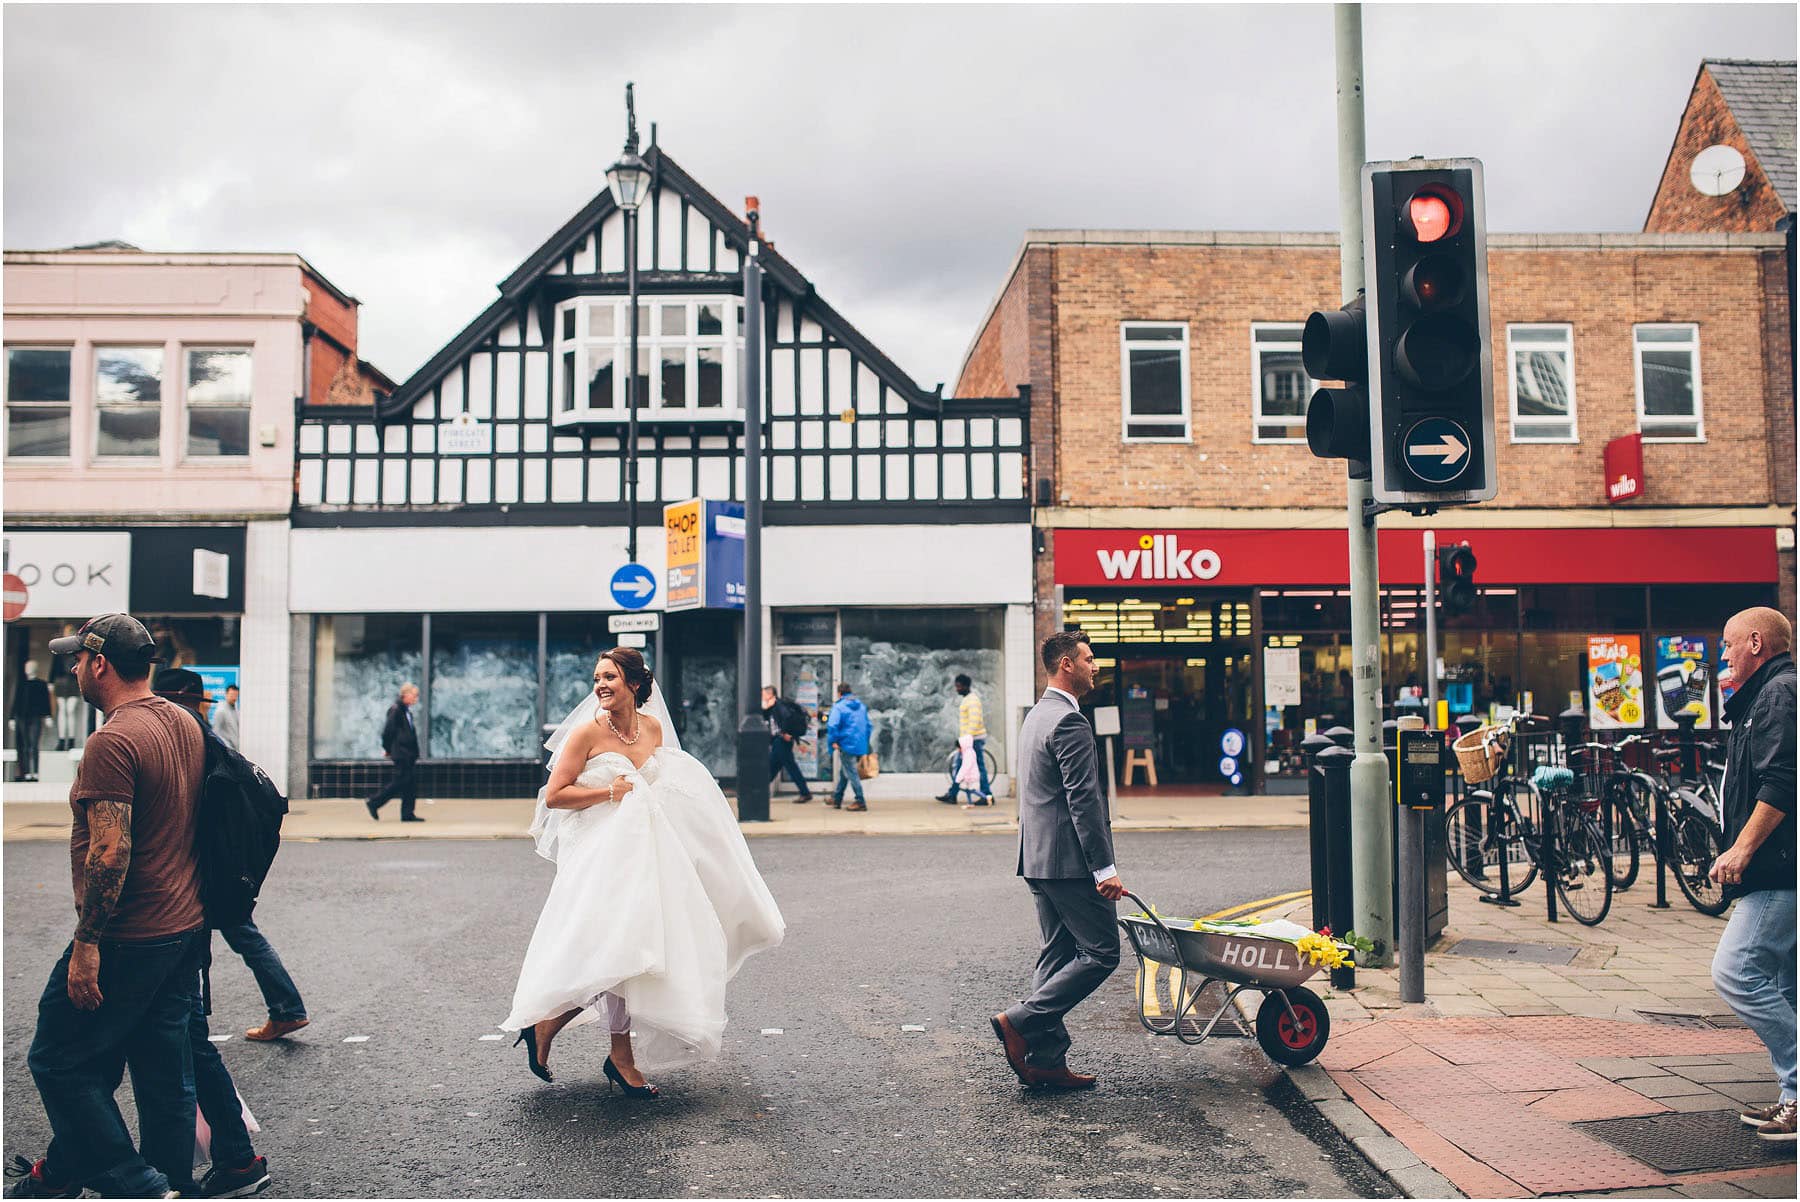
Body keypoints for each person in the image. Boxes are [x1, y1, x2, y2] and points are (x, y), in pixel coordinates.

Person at [501, 648, 784, 1097]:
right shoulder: (585, 733)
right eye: (597, 678)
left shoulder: (652, 729)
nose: (600, 685)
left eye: (610, 676)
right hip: (601, 854)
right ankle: (613, 1053)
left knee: (632, 950)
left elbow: (667, 785)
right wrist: (608, 793)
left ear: (634, 683)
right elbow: (555, 796)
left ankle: (553, 1028)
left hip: (647, 855)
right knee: (613, 949)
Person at [10, 614, 207, 1199]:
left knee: (58, 1060)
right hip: (183, 927)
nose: (71, 669)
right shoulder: (183, 723)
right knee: (163, 1072)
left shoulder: (113, 740)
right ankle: (167, 1185)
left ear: (99, 664)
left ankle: (137, 1185)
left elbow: (110, 852)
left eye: (76, 659)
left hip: (129, 932)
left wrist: (88, 944)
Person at [992, 630, 1123, 1092]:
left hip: (1037, 858)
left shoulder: (1036, 717)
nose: (1095, 666)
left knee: (1059, 953)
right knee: (1104, 952)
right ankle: (1020, 1022)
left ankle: (1046, 1059)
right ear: (1067, 664)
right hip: (1069, 863)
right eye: (1088, 659)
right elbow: (1082, 801)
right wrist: (1104, 869)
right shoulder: (1069, 722)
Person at [152, 670, 309, 1044]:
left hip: (205, 861)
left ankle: (202, 1023)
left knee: (215, 936)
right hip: (221, 860)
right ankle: (285, 1009)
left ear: (176, 697)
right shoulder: (203, 733)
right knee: (238, 933)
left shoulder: (186, 734)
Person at [1710, 606, 1796, 1143]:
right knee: (1786, 982)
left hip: (1780, 868)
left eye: (1727, 644)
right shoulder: (1768, 692)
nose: (1723, 654)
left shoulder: (1779, 693)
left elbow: (1783, 782)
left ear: (1756, 642)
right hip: (1781, 866)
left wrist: (1742, 850)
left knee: (1736, 970)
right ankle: (1793, 1098)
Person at [365, 683, 422, 822]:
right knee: (400, 781)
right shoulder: (396, 710)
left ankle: (408, 814)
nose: (416, 698)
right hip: (401, 753)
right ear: (405, 695)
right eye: (414, 695)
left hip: (409, 754)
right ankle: (374, 802)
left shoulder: (407, 711)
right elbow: (388, 732)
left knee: (410, 784)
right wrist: (388, 749)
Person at [938, 672, 994, 807]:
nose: (957, 689)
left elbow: (974, 723)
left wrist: (964, 740)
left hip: (973, 740)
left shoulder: (972, 701)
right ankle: (953, 794)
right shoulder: (968, 699)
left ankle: (986, 795)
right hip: (969, 740)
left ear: (965, 686)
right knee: (959, 766)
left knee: (977, 767)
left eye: (958, 686)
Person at [761, 685, 814, 804]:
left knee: (789, 766)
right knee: (773, 766)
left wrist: (785, 733)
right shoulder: (773, 707)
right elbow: (767, 719)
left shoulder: (779, 706)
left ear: (770, 695)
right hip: (778, 741)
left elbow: (787, 718)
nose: (762, 697)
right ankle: (760, 791)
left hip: (781, 741)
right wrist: (766, 709)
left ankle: (805, 793)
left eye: (764, 694)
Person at [825, 682, 871, 812]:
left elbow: (833, 725)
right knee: (845, 771)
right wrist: (865, 742)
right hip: (859, 743)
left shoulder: (839, 707)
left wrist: (833, 740)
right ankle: (837, 798)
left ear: (839, 693)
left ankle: (860, 800)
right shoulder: (861, 706)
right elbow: (868, 726)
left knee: (851, 772)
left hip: (846, 743)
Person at [11, 660, 52, 781]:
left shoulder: (41, 684)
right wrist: (12, 717)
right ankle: (26, 772)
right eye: (27, 667)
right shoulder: (21, 684)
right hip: (22, 716)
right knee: (24, 745)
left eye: (30, 667)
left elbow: (46, 702)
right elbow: (16, 701)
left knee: (33, 745)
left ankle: (35, 772)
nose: (28, 669)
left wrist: (48, 715)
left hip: (36, 717)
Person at [211, 684, 240, 751]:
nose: (234, 697)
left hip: (235, 749)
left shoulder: (236, 711)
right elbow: (216, 732)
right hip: (227, 749)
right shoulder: (221, 711)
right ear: (226, 694)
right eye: (232, 695)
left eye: (236, 695)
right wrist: (227, 748)